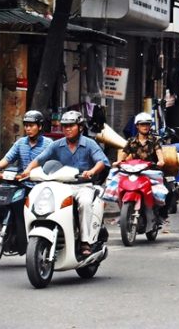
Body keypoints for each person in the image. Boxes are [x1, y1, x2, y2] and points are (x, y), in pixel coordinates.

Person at [18, 110, 109, 257]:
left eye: (71, 126)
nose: (67, 129)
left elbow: (102, 162)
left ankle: (85, 241)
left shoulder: (90, 144)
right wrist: (27, 171)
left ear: (80, 127)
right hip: (61, 185)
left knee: (85, 202)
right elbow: (40, 159)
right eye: (64, 126)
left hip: (83, 186)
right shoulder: (57, 145)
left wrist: (91, 171)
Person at [0, 110, 53, 182]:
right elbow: (8, 158)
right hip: (22, 183)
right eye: (26, 126)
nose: (28, 129)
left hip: (41, 185)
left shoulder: (48, 144)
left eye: (31, 126)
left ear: (40, 126)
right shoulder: (20, 143)